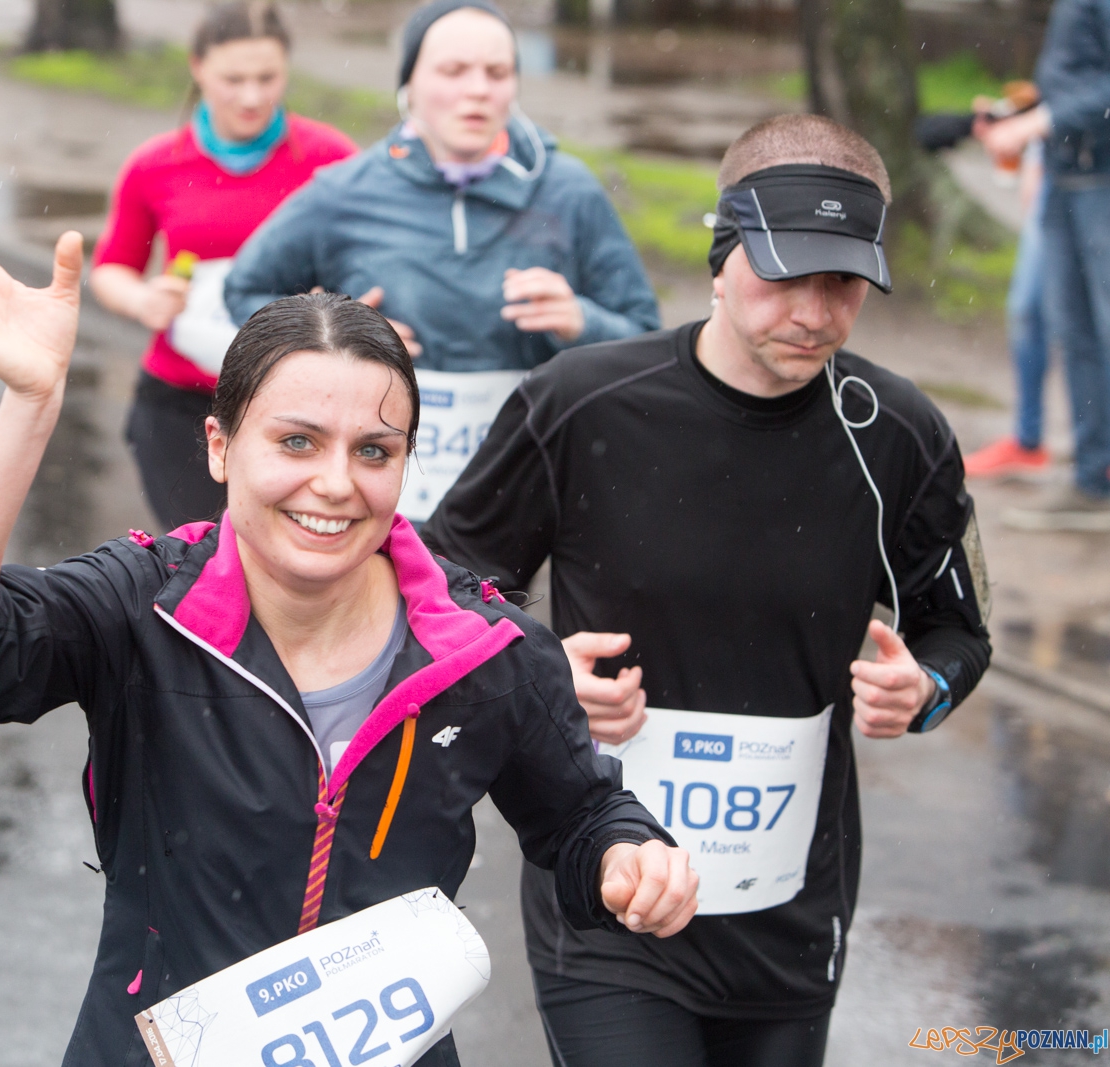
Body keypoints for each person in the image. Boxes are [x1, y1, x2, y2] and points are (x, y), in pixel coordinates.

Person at [0, 203, 700, 1064]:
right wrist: (30, 405)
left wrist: (628, 855)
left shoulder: (482, 649)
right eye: (296, 441)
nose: (335, 483)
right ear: (221, 447)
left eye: (375, 451)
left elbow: (582, 812)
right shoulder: (147, 605)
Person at [423, 114, 992, 1067]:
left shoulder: (895, 432)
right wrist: (541, 668)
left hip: (791, 909)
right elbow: (442, 586)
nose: (814, 311)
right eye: (785, 275)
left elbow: (955, 631)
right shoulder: (578, 402)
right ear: (722, 256)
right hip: (612, 882)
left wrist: (924, 687)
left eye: (844, 282)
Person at [224, 0, 658, 522]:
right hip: (386, 485)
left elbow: (644, 339)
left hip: (526, 482)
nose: (478, 89)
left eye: (496, 72)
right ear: (410, 83)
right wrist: (329, 333)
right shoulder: (344, 193)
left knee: (498, 602)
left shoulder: (569, 192)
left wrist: (582, 322)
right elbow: (245, 292)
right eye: (453, 70)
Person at [90, 1, 357, 530]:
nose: (252, 96)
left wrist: (338, 300)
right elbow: (111, 268)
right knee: (207, 560)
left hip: (299, 401)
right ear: (197, 67)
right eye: (233, 79)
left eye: (268, 77)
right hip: (180, 402)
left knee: (289, 562)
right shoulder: (155, 165)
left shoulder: (331, 161)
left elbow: (369, 267)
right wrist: (143, 299)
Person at [983, 0, 1110, 529]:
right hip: (1066, 176)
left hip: (1101, 185)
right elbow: (1078, 71)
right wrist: (1035, 132)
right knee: (1075, 333)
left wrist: (1044, 121)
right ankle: (1092, 477)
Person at [964, 133, 1052, 479]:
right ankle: (1029, 441)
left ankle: (1095, 456)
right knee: (1028, 312)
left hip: (1091, 179)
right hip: (1059, 176)